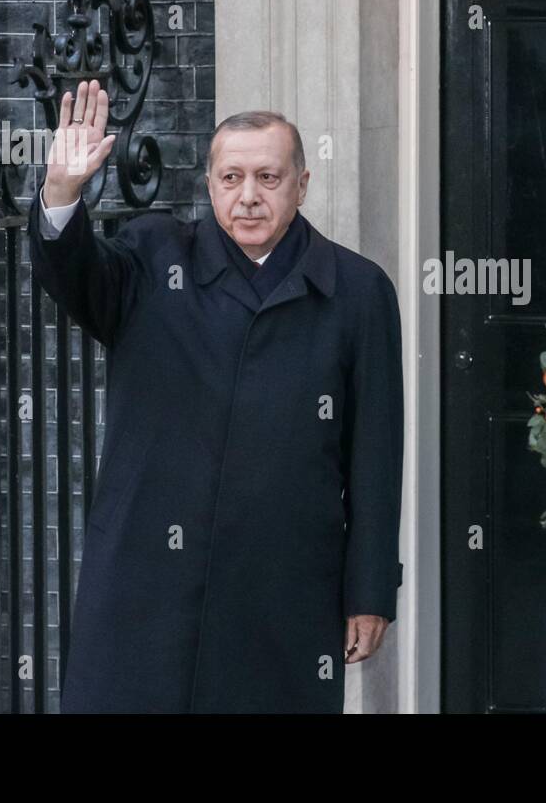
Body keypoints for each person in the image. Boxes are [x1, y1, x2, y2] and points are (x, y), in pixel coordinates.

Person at [31, 79, 404, 712]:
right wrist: (63, 191)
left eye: (268, 177)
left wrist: (369, 592)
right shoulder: (151, 258)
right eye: (231, 178)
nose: (249, 197)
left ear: (302, 185)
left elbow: (376, 454)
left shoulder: (358, 291)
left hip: (282, 594)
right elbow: (76, 276)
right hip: (145, 587)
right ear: (209, 186)